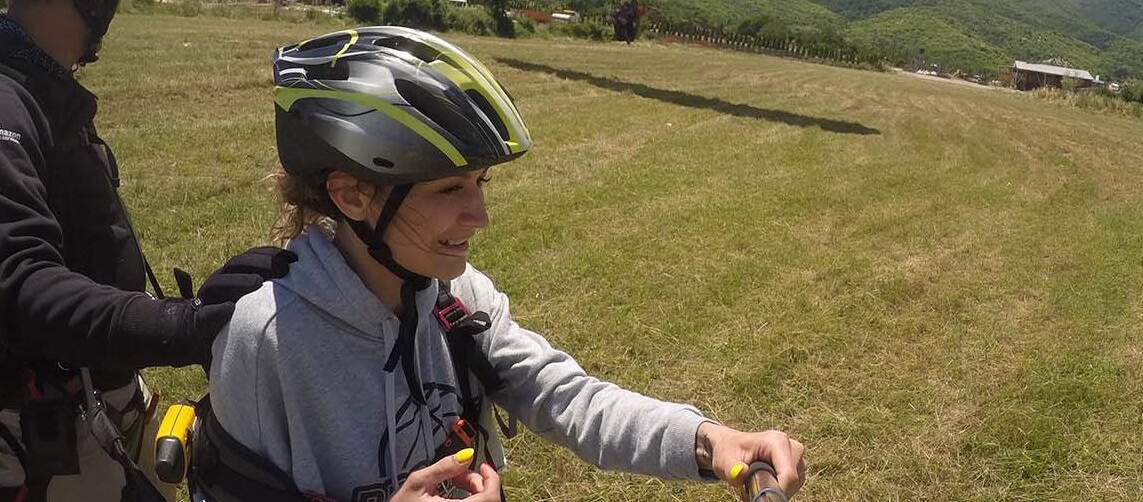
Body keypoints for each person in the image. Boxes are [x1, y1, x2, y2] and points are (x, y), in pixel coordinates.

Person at [202, 25, 806, 501]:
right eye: (449, 190)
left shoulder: (455, 296)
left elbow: (564, 397)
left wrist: (708, 440)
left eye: (480, 184)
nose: (481, 216)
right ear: (353, 194)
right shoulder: (269, 341)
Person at [0, 0, 295, 502]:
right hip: (40, 429)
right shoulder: (8, 100)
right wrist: (186, 327)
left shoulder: (41, 87)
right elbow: (18, 285)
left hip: (90, 393)